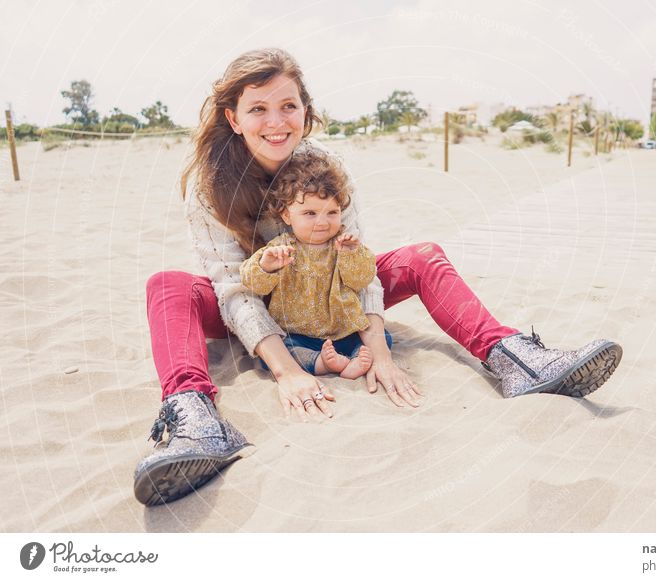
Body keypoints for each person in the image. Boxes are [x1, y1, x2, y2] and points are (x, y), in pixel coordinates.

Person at [134, 48, 623, 506]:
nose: (277, 122)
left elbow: (361, 266)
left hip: (332, 299)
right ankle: (194, 420)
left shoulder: (326, 164)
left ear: (306, 109)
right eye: (258, 109)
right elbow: (232, 290)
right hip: (261, 314)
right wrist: (287, 372)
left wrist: (383, 354)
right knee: (168, 285)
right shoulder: (209, 185)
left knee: (422, 256)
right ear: (233, 118)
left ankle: (517, 360)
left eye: (288, 105)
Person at [238, 149, 389, 382]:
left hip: (343, 329)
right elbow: (254, 284)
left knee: (381, 337)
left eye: (332, 212)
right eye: (309, 213)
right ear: (287, 216)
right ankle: (320, 362)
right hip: (298, 333)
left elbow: (361, 280)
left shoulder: (343, 244)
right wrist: (267, 266)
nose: (322, 221)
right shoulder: (280, 248)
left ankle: (356, 359)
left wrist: (352, 254)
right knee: (278, 352)